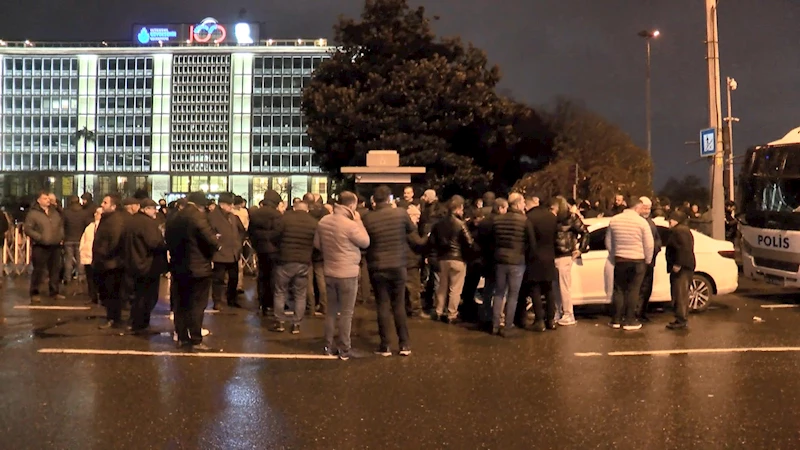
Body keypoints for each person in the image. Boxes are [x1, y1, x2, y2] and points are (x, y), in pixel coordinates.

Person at [314, 191, 371, 360]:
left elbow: (317, 244)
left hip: (330, 270)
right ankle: (344, 348)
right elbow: (365, 242)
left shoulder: (324, 221)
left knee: (331, 311)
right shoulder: (350, 225)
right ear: (352, 206)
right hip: (348, 273)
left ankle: (327, 345)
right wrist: (359, 221)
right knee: (346, 313)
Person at [362, 185, 418, 357]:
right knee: (399, 305)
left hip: (377, 266)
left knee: (383, 305)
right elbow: (412, 230)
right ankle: (404, 344)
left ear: (374, 200)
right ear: (389, 199)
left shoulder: (368, 218)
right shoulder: (401, 213)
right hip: (398, 264)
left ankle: (385, 345)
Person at [165, 192, 219, 351]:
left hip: (178, 265)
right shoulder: (198, 217)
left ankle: (182, 337)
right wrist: (215, 245)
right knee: (197, 304)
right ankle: (195, 338)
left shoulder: (175, 217)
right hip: (198, 267)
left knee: (180, 303)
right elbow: (211, 240)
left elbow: (168, 238)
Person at [605, 197, 654, 331]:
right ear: (637, 207)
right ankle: (630, 320)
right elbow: (649, 244)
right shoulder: (642, 222)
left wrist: (615, 254)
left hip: (620, 259)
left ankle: (616, 320)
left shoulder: (614, 220)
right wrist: (648, 260)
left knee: (619, 290)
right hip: (637, 260)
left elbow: (608, 242)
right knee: (634, 290)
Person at [489, 193, 533, 336]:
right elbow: (530, 243)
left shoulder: (497, 220)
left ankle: (495, 325)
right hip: (517, 261)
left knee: (499, 292)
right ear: (518, 204)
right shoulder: (524, 221)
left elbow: (493, 241)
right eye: (523, 202)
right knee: (513, 295)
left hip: (500, 260)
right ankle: (508, 325)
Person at [271, 201, 317, 334]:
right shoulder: (313, 222)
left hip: (284, 260)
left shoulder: (284, 219)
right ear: (307, 209)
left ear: (294, 208)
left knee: (280, 291)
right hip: (303, 261)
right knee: (300, 294)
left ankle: (280, 322)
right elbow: (316, 242)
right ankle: (296, 324)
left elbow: (274, 236)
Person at [429, 195, 475, 323]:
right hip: (458, 258)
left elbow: (432, 242)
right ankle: (451, 314)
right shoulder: (460, 224)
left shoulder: (439, 224)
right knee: (455, 288)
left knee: (442, 287)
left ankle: (438, 311)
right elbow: (469, 242)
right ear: (458, 208)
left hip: (443, 259)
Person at [126, 199, 168, 334]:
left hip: (134, 263)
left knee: (138, 295)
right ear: (144, 209)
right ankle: (141, 324)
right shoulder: (147, 223)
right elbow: (154, 243)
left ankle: (136, 322)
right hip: (147, 264)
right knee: (147, 296)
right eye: (152, 208)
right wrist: (165, 245)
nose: (155, 211)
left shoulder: (132, 221)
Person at [553, 196, 589, 327]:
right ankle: (559, 312)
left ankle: (568, 314)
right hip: (555, 255)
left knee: (563, 287)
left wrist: (581, 249)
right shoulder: (556, 219)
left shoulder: (571, 218)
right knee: (556, 287)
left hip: (564, 255)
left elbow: (585, 232)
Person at [92, 194, 127, 329]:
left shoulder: (115, 220)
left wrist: (104, 254)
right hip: (106, 262)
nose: (102, 204)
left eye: (105, 202)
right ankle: (112, 317)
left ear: (113, 206)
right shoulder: (107, 219)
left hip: (111, 264)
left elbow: (114, 241)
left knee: (112, 292)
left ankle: (113, 318)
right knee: (107, 292)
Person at [24, 190, 65, 303]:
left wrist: (61, 236)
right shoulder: (33, 213)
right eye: (45, 199)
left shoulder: (55, 212)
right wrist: (39, 237)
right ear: (39, 200)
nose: (48, 201)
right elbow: (28, 229)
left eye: (48, 199)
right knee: (38, 270)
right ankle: (34, 292)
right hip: (40, 246)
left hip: (55, 245)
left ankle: (54, 291)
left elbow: (61, 224)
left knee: (55, 270)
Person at [248, 190, 285, 316]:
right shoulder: (277, 215)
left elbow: (251, 232)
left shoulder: (255, 213)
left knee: (262, 276)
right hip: (274, 249)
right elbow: (279, 232)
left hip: (260, 249)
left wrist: (257, 244)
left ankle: (263, 303)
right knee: (274, 277)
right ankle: (272, 303)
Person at [525, 197, 559, 332]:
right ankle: (551, 320)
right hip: (549, 256)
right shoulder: (551, 217)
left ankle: (539, 320)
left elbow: (529, 240)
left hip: (534, 258)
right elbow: (556, 237)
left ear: (528, 205)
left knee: (535, 290)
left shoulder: (529, 218)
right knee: (549, 289)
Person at [208, 193, 246, 310]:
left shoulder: (233, 217)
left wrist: (239, 244)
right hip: (220, 253)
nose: (231, 207)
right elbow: (209, 233)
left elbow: (241, 231)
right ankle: (217, 301)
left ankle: (231, 299)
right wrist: (217, 245)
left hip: (234, 252)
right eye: (229, 204)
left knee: (233, 278)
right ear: (222, 204)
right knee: (218, 279)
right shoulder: (212, 217)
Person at [666, 210, 696, 330]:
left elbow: (683, 249)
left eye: (671, 219)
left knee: (680, 293)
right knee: (680, 293)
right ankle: (680, 318)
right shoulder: (682, 230)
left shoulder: (679, 231)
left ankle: (681, 319)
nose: (669, 222)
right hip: (683, 267)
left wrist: (678, 264)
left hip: (682, 268)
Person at [637, 197, 662, 323]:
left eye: (649, 208)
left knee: (646, 288)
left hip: (650, 260)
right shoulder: (637, 222)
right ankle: (637, 313)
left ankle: (641, 312)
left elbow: (657, 239)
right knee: (639, 288)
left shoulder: (650, 222)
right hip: (640, 259)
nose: (647, 210)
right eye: (645, 208)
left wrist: (655, 249)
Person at [61, 195, 87, 290]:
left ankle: (67, 278)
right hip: (80, 238)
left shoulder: (66, 212)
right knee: (80, 259)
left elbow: (62, 225)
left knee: (68, 259)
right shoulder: (83, 213)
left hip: (68, 239)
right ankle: (81, 277)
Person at [79, 207, 103, 305]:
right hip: (88, 256)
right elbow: (83, 240)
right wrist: (82, 250)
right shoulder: (90, 226)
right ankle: (92, 297)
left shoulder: (105, 226)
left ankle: (101, 297)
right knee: (90, 278)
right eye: (96, 212)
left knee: (99, 278)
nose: (95, 215)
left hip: (100, 257)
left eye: (98, 213)